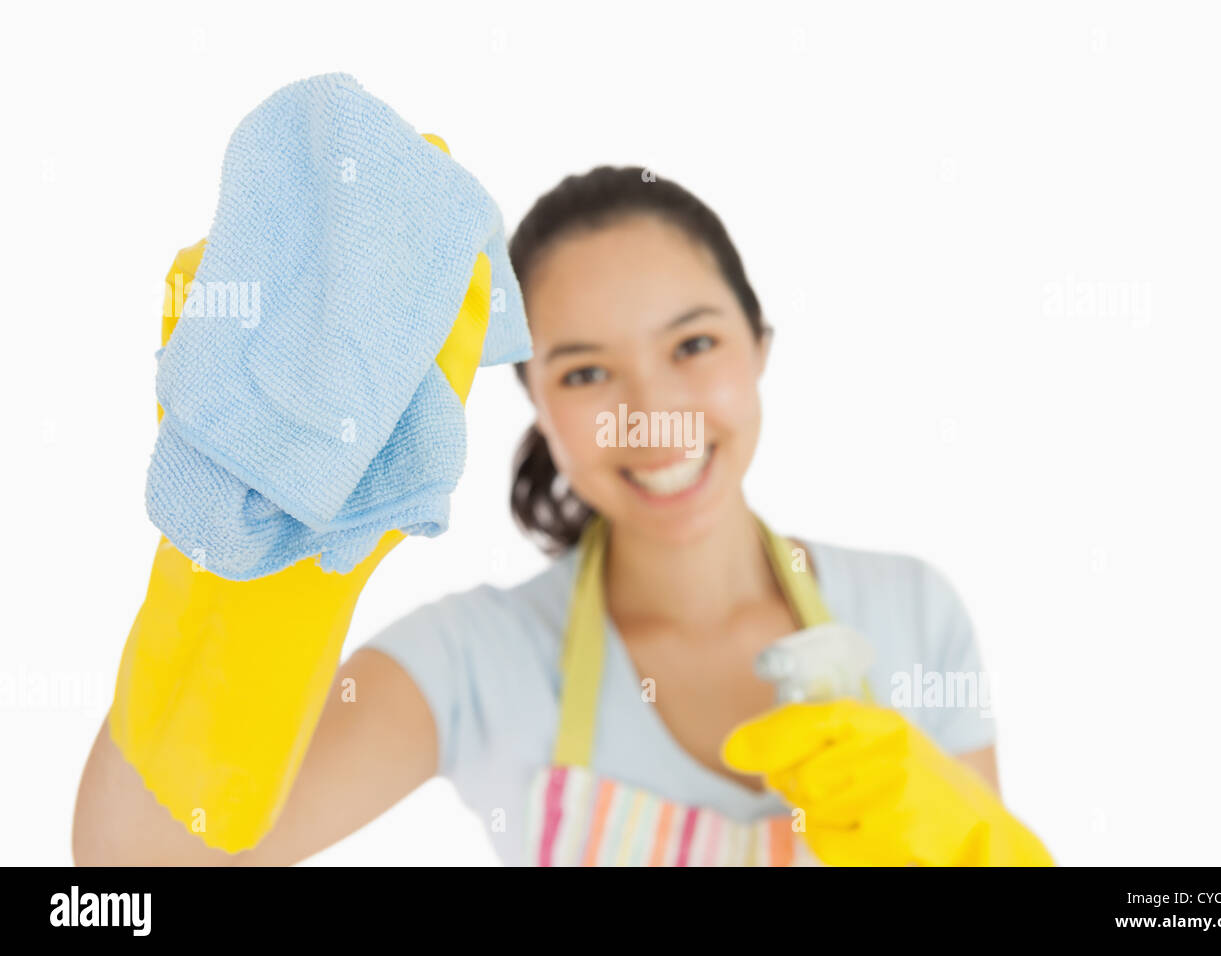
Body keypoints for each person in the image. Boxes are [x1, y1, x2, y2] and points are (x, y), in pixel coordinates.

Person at [73, 166, 1009, 866]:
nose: (652, 411)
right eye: (587, 372)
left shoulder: (915, 612)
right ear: (537, 404)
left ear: (759, 347)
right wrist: (234, 552)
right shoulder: (472, 661)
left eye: (694, 343)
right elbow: (141, 868)